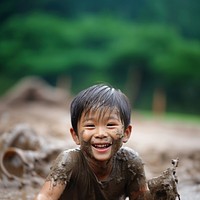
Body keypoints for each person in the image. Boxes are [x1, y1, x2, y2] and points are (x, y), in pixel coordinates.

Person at [34, 83, 149, 200]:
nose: (100, 134)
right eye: (90, 126)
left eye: (110, 125)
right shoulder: (69, 162)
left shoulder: (130, 163)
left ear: (126, 133)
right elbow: (45, 196)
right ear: (75, 135)